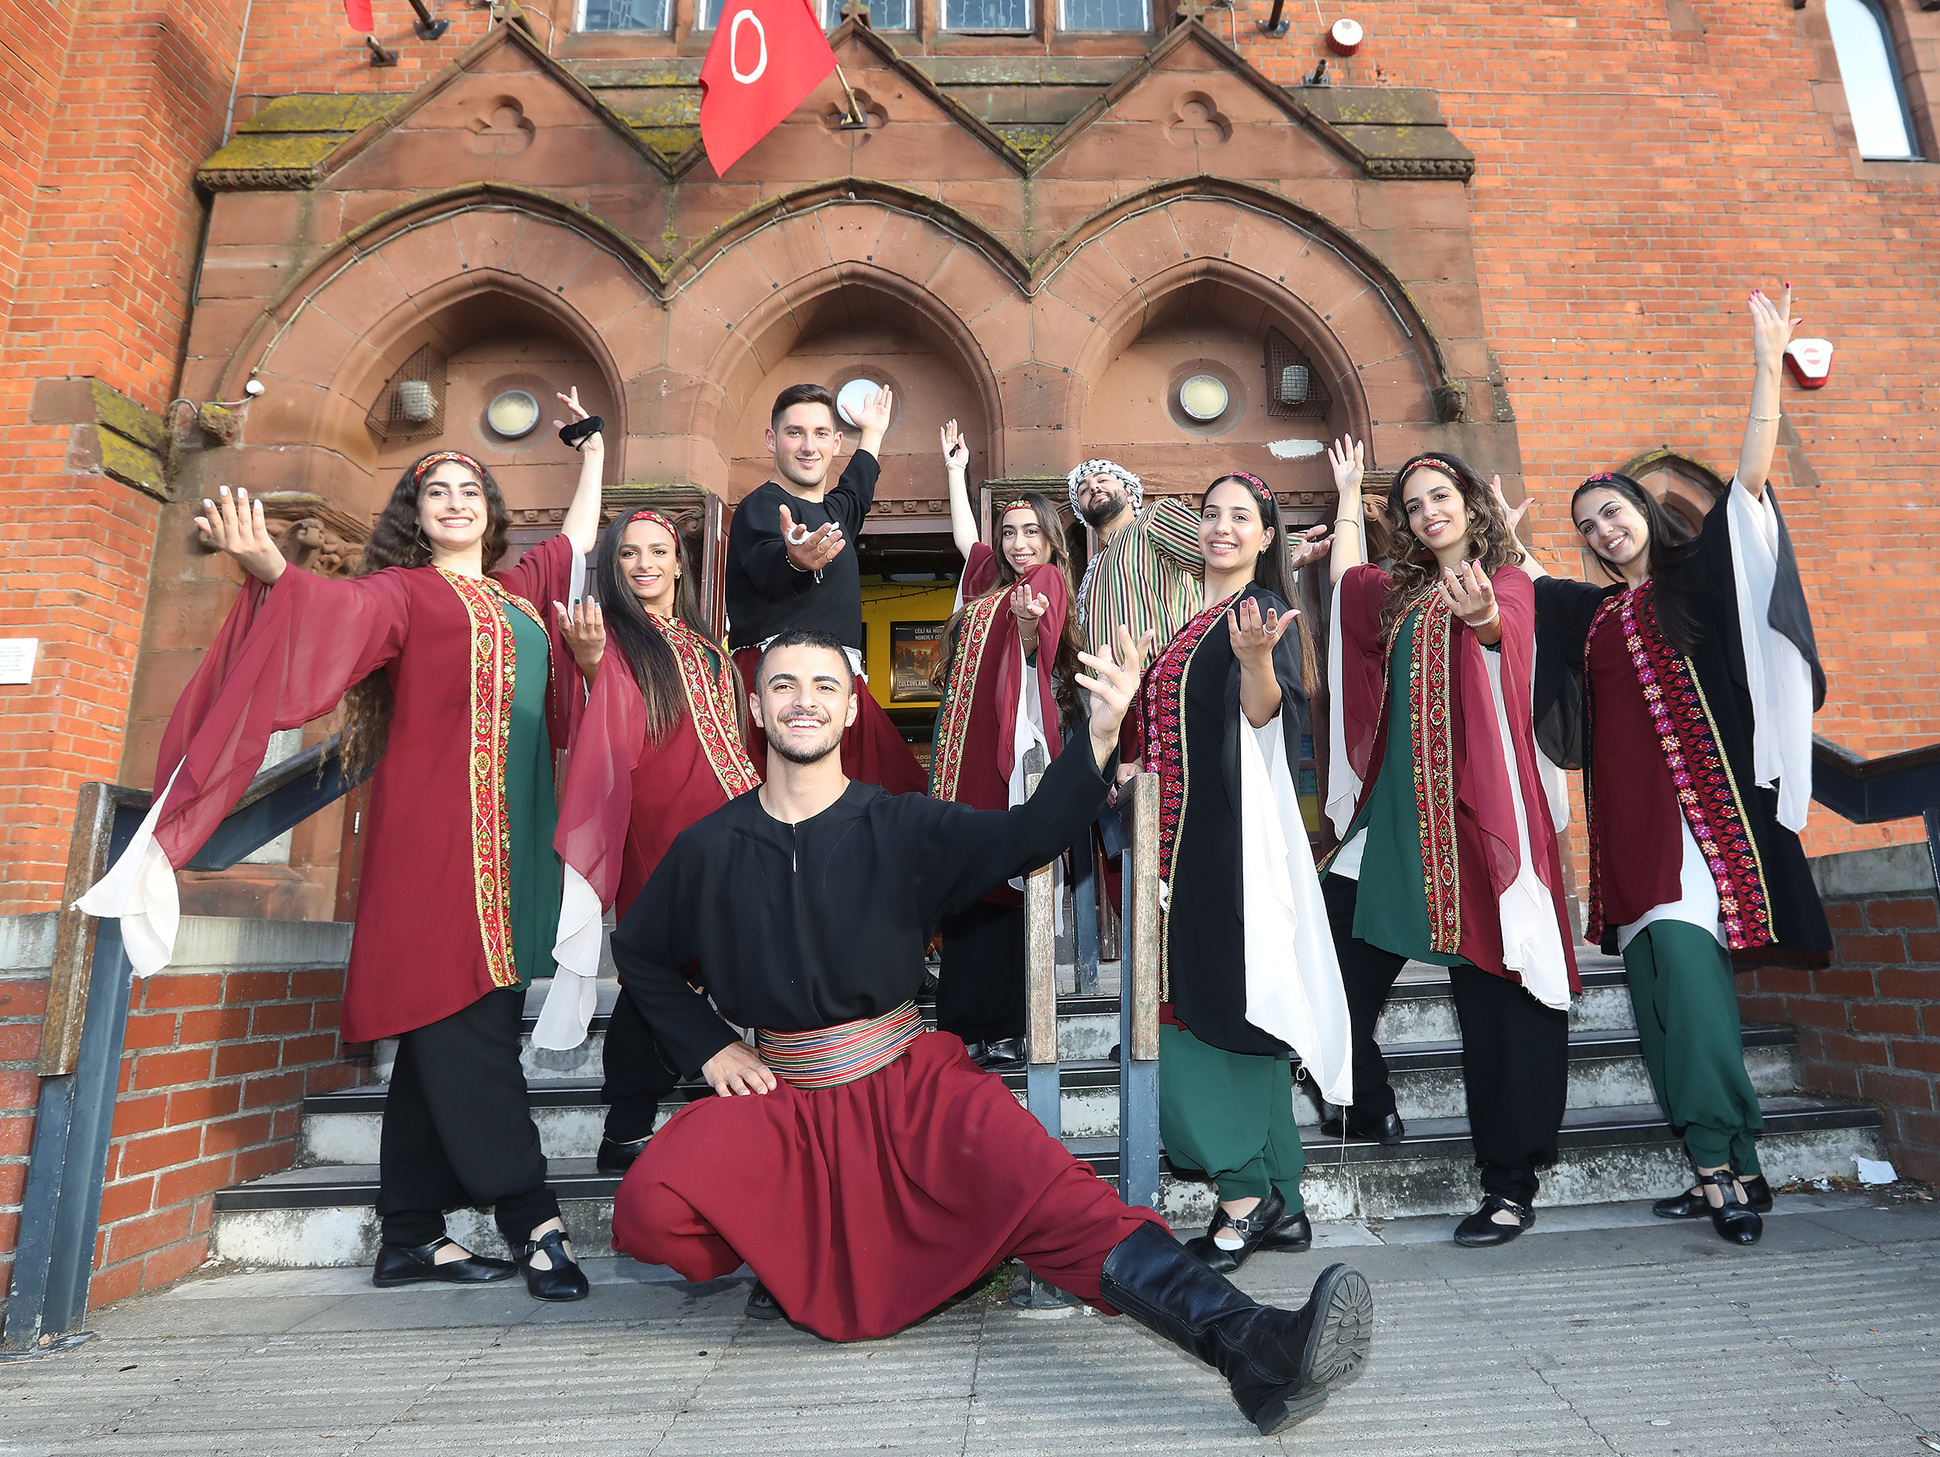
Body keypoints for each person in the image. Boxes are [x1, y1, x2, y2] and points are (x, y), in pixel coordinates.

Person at [606, 626, 1374, 1438]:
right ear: (757, 708)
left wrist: (1101, 734)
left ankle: (1250, 1343)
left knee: (1058, 1197)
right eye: (786, 684)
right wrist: (710, 1045)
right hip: (782, 1102)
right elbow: (641, 953)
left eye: (825, 686)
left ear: (849, 707)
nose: (805, 700)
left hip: (908, 1082)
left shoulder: (902, 825)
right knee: (650, 1202)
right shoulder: (708, 847)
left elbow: (1028, 835)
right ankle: (784, 1256)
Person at [79, 395, 609, 1300]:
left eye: (469, 488)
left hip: (513, 848)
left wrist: (591, 446)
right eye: (435, 489)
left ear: (490, 511)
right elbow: (322, 611)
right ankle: (534, 1218)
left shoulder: (521, 595)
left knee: (456, 1027)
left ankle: (408, 1235)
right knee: (467, 1028)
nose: (455, 500)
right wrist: (270, 570)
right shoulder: (399, 595)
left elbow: (579, 535)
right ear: (414, 513)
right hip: (432, 848)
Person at [1520, 286, 1830, 1246]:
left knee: (1692, 994)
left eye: (1612, 513)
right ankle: (1731, 1164)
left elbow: (1747, 489)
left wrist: (1763, 369)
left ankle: (1720, 1164)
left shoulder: (1698, 579)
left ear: (1645, 512)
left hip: (1703, 827)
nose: (1605, 531)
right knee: (1656, 1009)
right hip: (1631, 836)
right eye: (1589, 525)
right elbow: (1522, 597)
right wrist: (1501, 533)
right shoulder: (1592, 613)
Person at [1321, 438, 1579, 1247]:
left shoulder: (1504, 582)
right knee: (1323, 959)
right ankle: (1366, 1094)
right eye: (1413, 505)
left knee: (1499, 1000)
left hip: (1476, 821)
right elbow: (1343, 589)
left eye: (1441, 497)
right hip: (1395, 819)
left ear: (1470, 503)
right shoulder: (1398, 598)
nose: (1428, 513)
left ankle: (1509, 1184)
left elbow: (1518, 633)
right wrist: (1343, 494)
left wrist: (1487, 622)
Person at [1120, 472, 1350, 1273]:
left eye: (1240, 517)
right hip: (1180, 846)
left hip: (1225, 847)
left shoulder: (1256, 617)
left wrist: (1256, 663)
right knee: (1219, 1001)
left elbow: (1265, 710)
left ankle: (1243, 1202)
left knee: (1217, 1010)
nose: (1221, 526)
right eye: (1210, 512)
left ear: (1265, 537)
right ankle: (1281, 1198)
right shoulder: (1192, 621)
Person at [534, 506, 762, 1175]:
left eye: (658, 551)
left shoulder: (706, 643)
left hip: (731, 817)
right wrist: (590, 662)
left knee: (709, 963)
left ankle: (678, 1103)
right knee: (658, 969)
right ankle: (630, 1120)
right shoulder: (614, 637)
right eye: (629, 553)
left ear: (679, 561)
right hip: (659, 823)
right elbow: (595, 724)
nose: (645, 565)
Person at [928, 419, 1085, 1066]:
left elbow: (1034, 650)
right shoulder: (991, 582)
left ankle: (1010, 1025)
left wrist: (1027, 630)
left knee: (1005, 883)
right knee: (967, 886)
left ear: (1052, 541)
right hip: (958, 757)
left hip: (1007, 755)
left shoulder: (1043, 586)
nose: (1020, 545)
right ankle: (964, 1025)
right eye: (1012, 533)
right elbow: (968, 542)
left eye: (1033, 534)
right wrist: (955, 472)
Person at [724, 382, 926, 794]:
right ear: (772, 439)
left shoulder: (834, 513)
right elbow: (766, 562)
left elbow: (856, 491)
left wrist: (872, 432)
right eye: (794, 432)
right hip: (779, 687)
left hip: (840, 687)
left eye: (819, 434)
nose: (807, 446)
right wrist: (793, 559)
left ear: (836, 443)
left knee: (896, 800)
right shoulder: (761, 506)